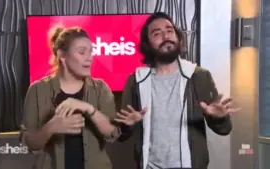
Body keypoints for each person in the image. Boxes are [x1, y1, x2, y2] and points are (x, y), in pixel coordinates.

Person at [114, 12, 240, 169]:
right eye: (156, 33)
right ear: (147, 44)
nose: (165, 36)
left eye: (169, 30)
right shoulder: (136, 80)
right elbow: (120, 134)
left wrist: (219, 118)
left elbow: (225, 130)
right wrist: (127, 125)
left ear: (178, 37)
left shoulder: (199, 76)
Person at [20, 26, 120, 169]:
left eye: (91, 52)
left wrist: (88, 109)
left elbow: (113, 133)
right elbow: (29, 144)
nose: (89, 58)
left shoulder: (100, 88)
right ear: (62, 55)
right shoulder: (37, 90)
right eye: (81, 52)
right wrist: (50, 128)